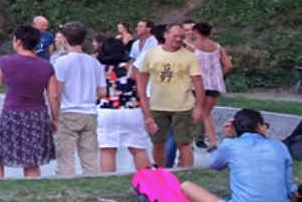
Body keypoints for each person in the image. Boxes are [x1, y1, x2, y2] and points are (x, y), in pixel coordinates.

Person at [179, 108, 296, 202]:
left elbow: (215, 164)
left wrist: (228, 138)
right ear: (259, 127)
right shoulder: (280, 147)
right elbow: (289, 187)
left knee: (186, 186)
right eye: (265, 125)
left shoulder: (231, 145)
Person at [0, 25, 57, 178]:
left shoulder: (5, 61)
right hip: (37, 114)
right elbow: (53, 96)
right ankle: (32, 193)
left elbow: (1, 80)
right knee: (31, 161)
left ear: (18, 42)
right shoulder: (46, 66)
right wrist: (55, 118)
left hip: (12, 112)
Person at [136, 23, 204, 169]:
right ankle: (161, 172)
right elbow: (141, 79)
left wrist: (199, 107)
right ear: (166, 35)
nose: (178, 39)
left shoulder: (189, 56)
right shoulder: (152, 54)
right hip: (157, 105)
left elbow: (198, 83)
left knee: (184, 143)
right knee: (158, 142)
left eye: (181, 36)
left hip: (183, 107)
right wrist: (144, 102)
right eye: (175, 36)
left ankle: (186, 174)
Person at [50, 22, 103, 176]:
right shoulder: (94, 62)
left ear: (65, 39)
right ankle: (93, 183)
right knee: (90, 156)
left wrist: (54, 116)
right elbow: (102, 91)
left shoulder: (62, 62)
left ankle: (67, 185)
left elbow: (55, 93)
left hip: (68, 111)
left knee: (65, 156)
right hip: (89, 112)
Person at [96, 36, 149, 173]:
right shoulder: (131, 68)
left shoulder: (98, 68)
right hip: (131, 110)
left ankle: (109, 184)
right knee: (138, 149)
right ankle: (149, 182)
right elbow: (142, 92)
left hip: (106, 110)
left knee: (107, 150)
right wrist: (148, 116)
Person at [187, 22, 231, 152]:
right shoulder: (217, 47)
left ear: (196, 32)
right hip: (213, 84)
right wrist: (218, 76)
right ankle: (213, 143)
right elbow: (228, 65)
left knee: (195, 112)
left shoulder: (192, 47)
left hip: (197, 84)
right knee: (206, 114)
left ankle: (188, 141)